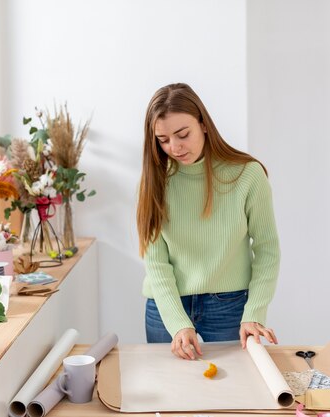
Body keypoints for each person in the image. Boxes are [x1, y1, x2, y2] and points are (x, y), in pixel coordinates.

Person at [137, 83, 281, 360]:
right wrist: (178, 322)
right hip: (166, 304)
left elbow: (267, 249)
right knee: (171, 392)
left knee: (233, 392)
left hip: (229, 304)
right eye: (163, 140)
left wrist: (255, 312)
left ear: (203, 124)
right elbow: (155, 261)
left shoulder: (247, 175)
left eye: (182, 134)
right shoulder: (154, 182)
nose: (174, 147)